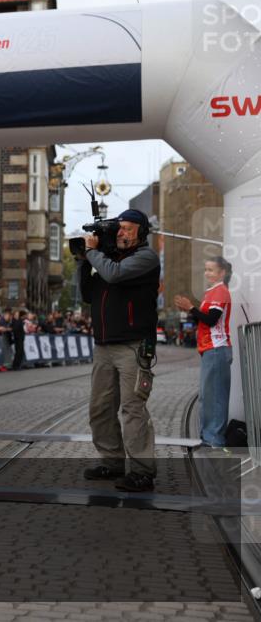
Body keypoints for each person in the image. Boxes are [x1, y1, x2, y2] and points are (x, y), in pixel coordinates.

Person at [79, 209, 160, 492]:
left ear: (141, 230)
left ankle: (142, 471)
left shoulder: (146, 258)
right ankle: (111, 461)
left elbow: (114, 276)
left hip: (133, 346)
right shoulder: (107, 259)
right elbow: (88, 294)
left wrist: (93, 253)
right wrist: (83, 260)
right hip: (103, 346)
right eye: (119, 228)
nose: (121, 233)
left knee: (132, 408)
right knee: (99, 408)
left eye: (127, 228)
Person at [174, 257, 234, 448]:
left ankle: (214, 439)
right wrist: (191, 310)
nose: (207, 273)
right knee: (208, 395)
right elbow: (205, 319)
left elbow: (211, 320)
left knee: (215, 396)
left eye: (211, 270)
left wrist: (191, 308)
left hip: (217, 348)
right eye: (206, 269)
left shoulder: (220, 291)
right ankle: (208, 436)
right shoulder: (212, 292)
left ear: (222, 273)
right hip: (210, 349)